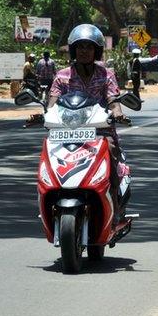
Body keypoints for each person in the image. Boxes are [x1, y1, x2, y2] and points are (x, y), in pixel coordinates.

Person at [47, 24, 131, 199]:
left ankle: (114, 202)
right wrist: (44, 115)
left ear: (96, 51)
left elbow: (113, 101)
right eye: (80, 46)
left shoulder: (106, 75)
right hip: (66, 132)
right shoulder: (62, 76)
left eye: (89, 47)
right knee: (48, 158)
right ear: (73, 50)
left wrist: (118, 113)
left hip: (99, 131)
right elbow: (52, 103)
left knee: (112, 151)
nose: (84, 51)